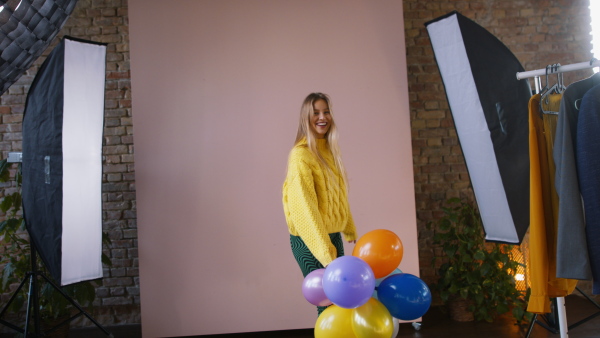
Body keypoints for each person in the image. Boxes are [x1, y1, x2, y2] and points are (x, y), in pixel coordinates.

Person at [282, 92, 357, 315]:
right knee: (327, 305)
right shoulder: (300, 155)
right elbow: (304, 209)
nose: (322, 117)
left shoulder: (330, 150)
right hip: (309, 239)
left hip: (332, 235)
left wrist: (348, 226)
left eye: (326, 112)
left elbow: (339, 194)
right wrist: (325, 252)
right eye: (316, 113)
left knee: (342, 301)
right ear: (306, 118)